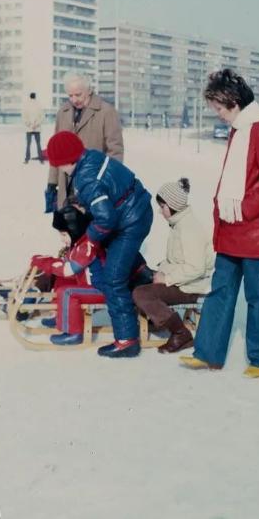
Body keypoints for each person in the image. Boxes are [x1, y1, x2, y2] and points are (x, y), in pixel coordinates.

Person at [179, 69, 259, 379]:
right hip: (231, 228)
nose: (218, 115)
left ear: (234, 101)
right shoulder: (240, 128)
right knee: (220, 292)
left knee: (258, 296)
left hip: (253, 230)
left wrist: (245, 209)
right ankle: (207, 353)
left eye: (219, 108)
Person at [44, 130, 153, 358]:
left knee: (113, 278)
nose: (58, 168)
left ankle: (126, 341)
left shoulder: (86, 178)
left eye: (57, 163)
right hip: (135, 209)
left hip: (130, 220)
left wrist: (89, 240)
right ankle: (143, 275)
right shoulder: (90, 157)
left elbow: (106, 219)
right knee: (115, 255)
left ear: (66, 160)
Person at [133, 178, 215, 354]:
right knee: (139, 277)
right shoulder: (179, 224)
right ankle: (157, 318)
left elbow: (196, 268)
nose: (160, 211)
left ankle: (180, 333)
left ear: (172, 206)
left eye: (162, 207)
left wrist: (166, 278)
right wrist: (158, 270)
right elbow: (176, 260)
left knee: (141, 293)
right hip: (182, 281)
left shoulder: (189, 230)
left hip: (191, 287)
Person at [45, 73, 123, 214]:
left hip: (93, 186)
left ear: (89, 90)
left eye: (78, 95)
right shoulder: (62, 112)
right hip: (66, 187)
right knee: (69, 232)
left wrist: (105, 183)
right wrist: (52, 182)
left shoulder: (106, 112)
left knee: (92, 231)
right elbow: (56, 150)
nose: (74, 100)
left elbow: (115, 151)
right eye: (70, 95)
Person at [22, 92, 44, 164]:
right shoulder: (39, 105)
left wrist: (29, 124)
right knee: (38, 144)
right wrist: (36, 124)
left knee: (28, 144)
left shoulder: (26, 106)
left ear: (30, 97)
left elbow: (24, 117)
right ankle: (41, 159)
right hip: (37, 128)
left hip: (29, 128)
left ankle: (27, 159)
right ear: (35, 97)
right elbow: (42, 117)